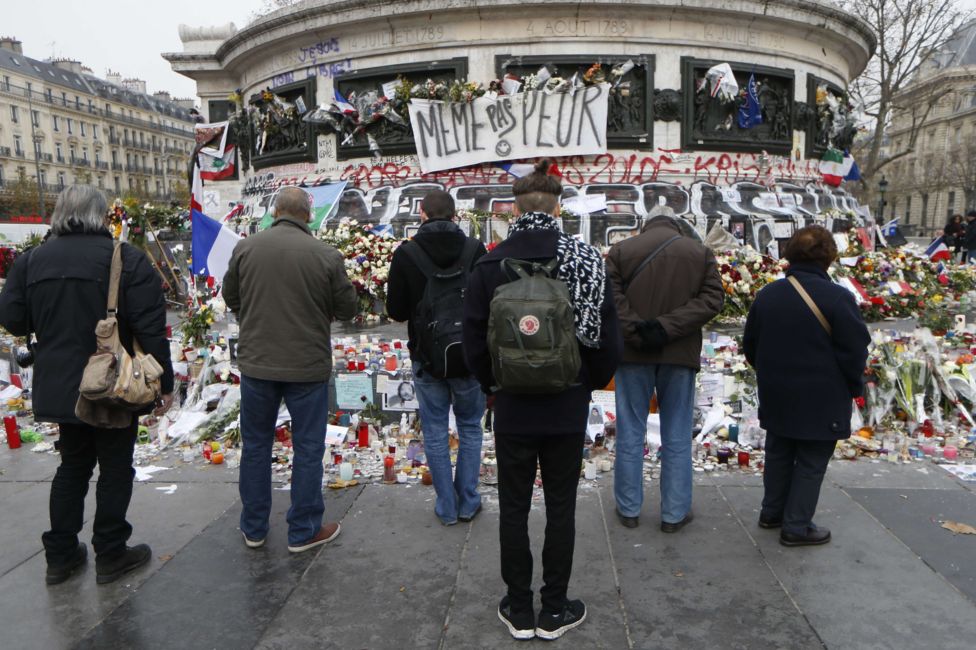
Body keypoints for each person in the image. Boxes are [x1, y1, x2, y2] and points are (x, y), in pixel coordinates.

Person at [463, 159, 621, 641]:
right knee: (561, 505)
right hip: (566, 405)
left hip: (511, 406)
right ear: (558, 206)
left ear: (515, 208)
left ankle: (518, 606)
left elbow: (473, 341)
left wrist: (495, 385)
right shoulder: (585, 258)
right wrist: (583, 381)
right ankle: (554, 608)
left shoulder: (489, 263)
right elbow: (607, 340)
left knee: (512, 505)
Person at [0, 185, 174, 585]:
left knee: (72, 466)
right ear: (102, 216)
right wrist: (163, 380)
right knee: (115, 467)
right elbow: (151, 327)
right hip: (114, 383)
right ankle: (111, 553)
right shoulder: (124, 258)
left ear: (60, 214)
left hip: (60, 384)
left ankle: (60, 557)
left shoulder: (31, 262)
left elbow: (12, 320)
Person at [223, 186, 357, 553]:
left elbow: (231, 297)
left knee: (255, 447)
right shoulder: (326, 255)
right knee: (309, 448)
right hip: (306, 366)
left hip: (257, 364)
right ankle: (303, 530)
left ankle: (253, 527)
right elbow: (348, 308)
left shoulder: (246, 248)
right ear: (307, 215)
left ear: (275, 211)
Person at [743, 225, 869, 546]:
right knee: (812, 460)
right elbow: (855, 351)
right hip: (822, 395)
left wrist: (773, 373)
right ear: (829, 257)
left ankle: (771, 513)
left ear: (791, 255)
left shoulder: (768, 295)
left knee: (779, 451)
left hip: (777, 392)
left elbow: (751, 346)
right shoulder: (838, 297)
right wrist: (856, 385)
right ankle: (796, 527)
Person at [606, 205, 724, 532]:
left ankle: (629, 509)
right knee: (676, 433)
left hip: (632, 354)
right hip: (679, 354)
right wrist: (666, 328)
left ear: (645, 226)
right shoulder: (699, 253)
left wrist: (639, 331)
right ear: (675, 225)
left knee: (630, 430)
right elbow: (712, 300)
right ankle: (674, 513)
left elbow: (612, 300)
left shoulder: (621, 251)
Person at [385, 190, 487, 526]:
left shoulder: (407, 254)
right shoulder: (475, 250)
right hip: (470, 357)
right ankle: (468, 501)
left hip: (427, 359)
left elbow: (396, 311)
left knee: (435, 430)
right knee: (471, 427)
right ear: (455, 215)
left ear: (422, 214)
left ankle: (446, 505)